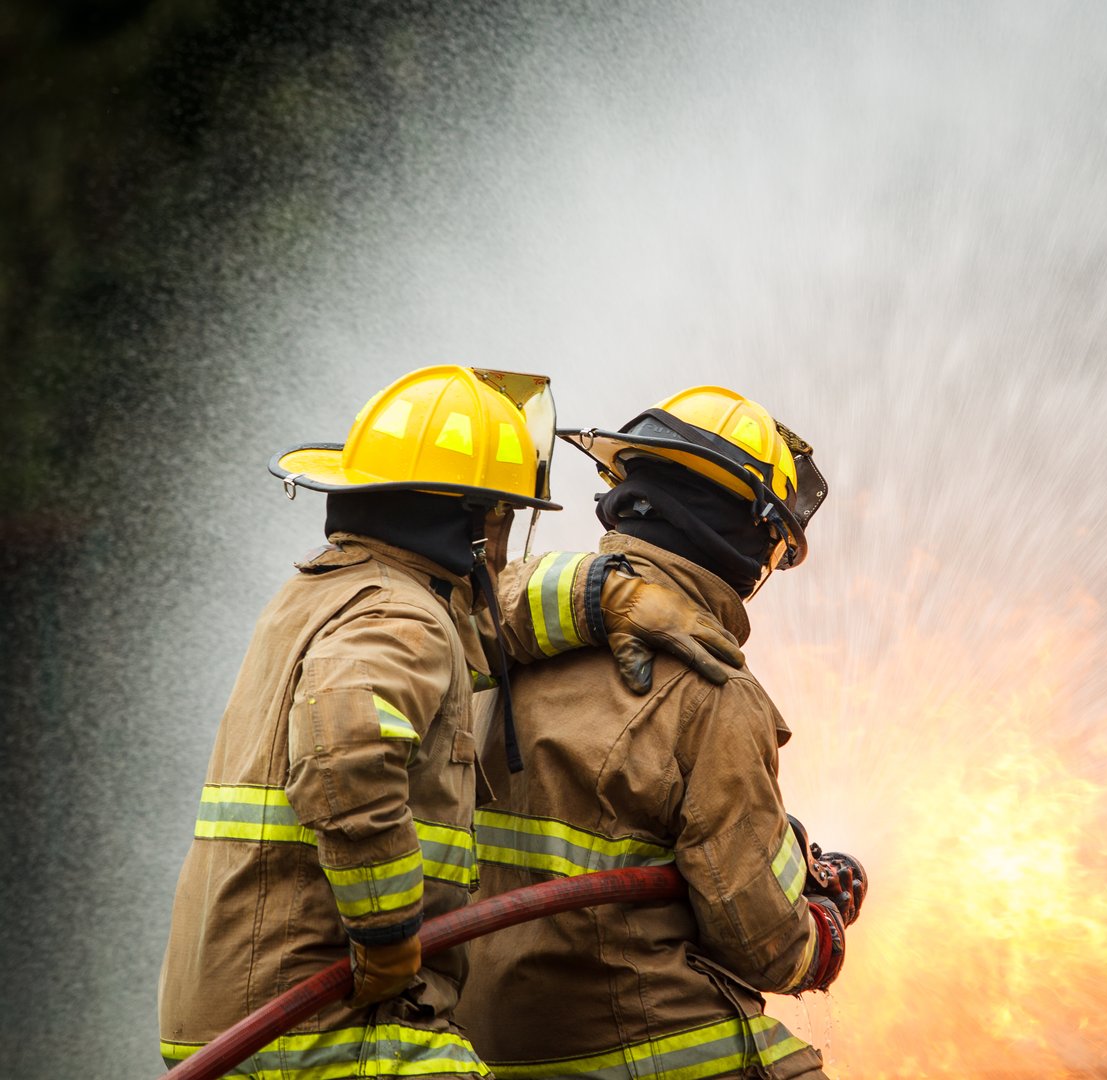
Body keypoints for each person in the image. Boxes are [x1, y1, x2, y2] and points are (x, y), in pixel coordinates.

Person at [158, 367, 745, 1078]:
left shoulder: (329, 592)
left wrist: (605, 595)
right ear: (474, 520)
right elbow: (346, 750)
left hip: (249, 1007)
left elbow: (488, 616)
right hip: (327, 1019)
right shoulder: (401, 617)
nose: (502, 541)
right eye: (500, 516)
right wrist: (386, 933)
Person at [461, 386, 868, 1080]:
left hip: (480, 1039)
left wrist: (781, 846)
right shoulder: (715, 695)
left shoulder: (508, 631)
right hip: (636, 1041)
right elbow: (760, 946)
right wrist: (823, 927)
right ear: (750, 541)